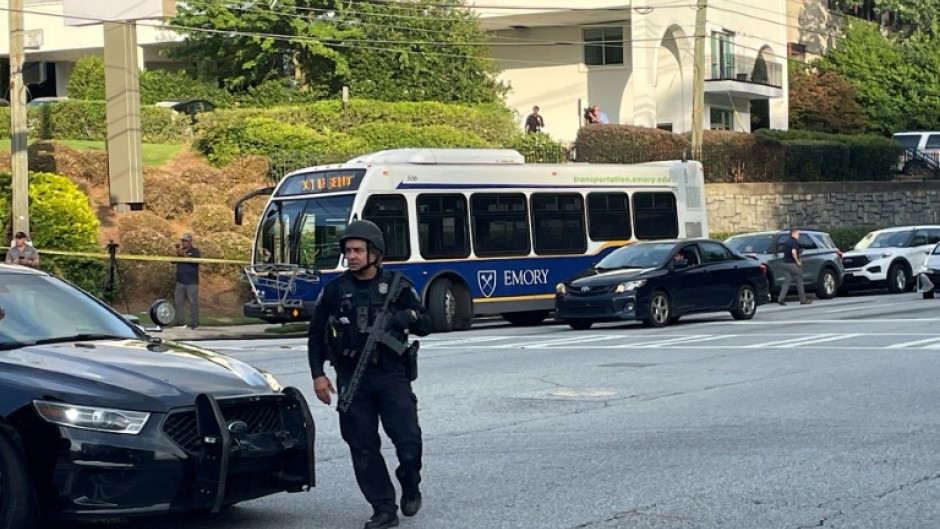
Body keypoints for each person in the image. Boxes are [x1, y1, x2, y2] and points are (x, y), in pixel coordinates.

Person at [307, 220, 431, 529]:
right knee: (362, 446)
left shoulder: (398, 286)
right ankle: (383, 507)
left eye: (358, 251)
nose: (351, 256)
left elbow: (427, 323)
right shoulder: (335, 290)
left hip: (391, 375)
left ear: (374, 253)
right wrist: (318, 375)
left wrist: (407, 317)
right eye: (348, 251)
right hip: (352, 377)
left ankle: (410, 479)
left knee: (409, 440)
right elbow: (316, 334)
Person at [173, 232, 201, 328]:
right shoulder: (180, 251)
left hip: (192, 282)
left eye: (186, 241)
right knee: (178, 302)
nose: (184, 243)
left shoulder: (195, 251)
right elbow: (172, 261)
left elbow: (195, 262)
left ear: (190, 242)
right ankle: (180, 321)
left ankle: (195, 321)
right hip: (180, 281)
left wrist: (184, 255)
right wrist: (176, 254)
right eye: (183, 241)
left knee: (193, 303)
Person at [777, 228, 811, 306]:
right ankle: (803, 300)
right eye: (797, 233)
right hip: (793, 264)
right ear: (794, 234)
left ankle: (780, 299)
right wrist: (797, 261)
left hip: (785, 264)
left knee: (786, 282)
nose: (798, 235)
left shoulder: (786, 242)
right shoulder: (794, 242)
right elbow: (793, 252)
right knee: (799, 280)